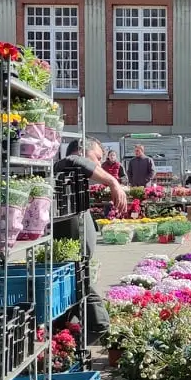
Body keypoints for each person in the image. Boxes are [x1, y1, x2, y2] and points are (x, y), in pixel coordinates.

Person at [58, 138, 128, 339]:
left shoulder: (74, 179)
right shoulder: (65, 166)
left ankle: (67, 353)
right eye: (97, 158)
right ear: (82, 151)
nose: (99, 164)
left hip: (76, 271)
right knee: (99, 322)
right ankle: (68, 353)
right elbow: (74, 160)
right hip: (71, 272)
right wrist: (113, 182)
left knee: (65, 324)